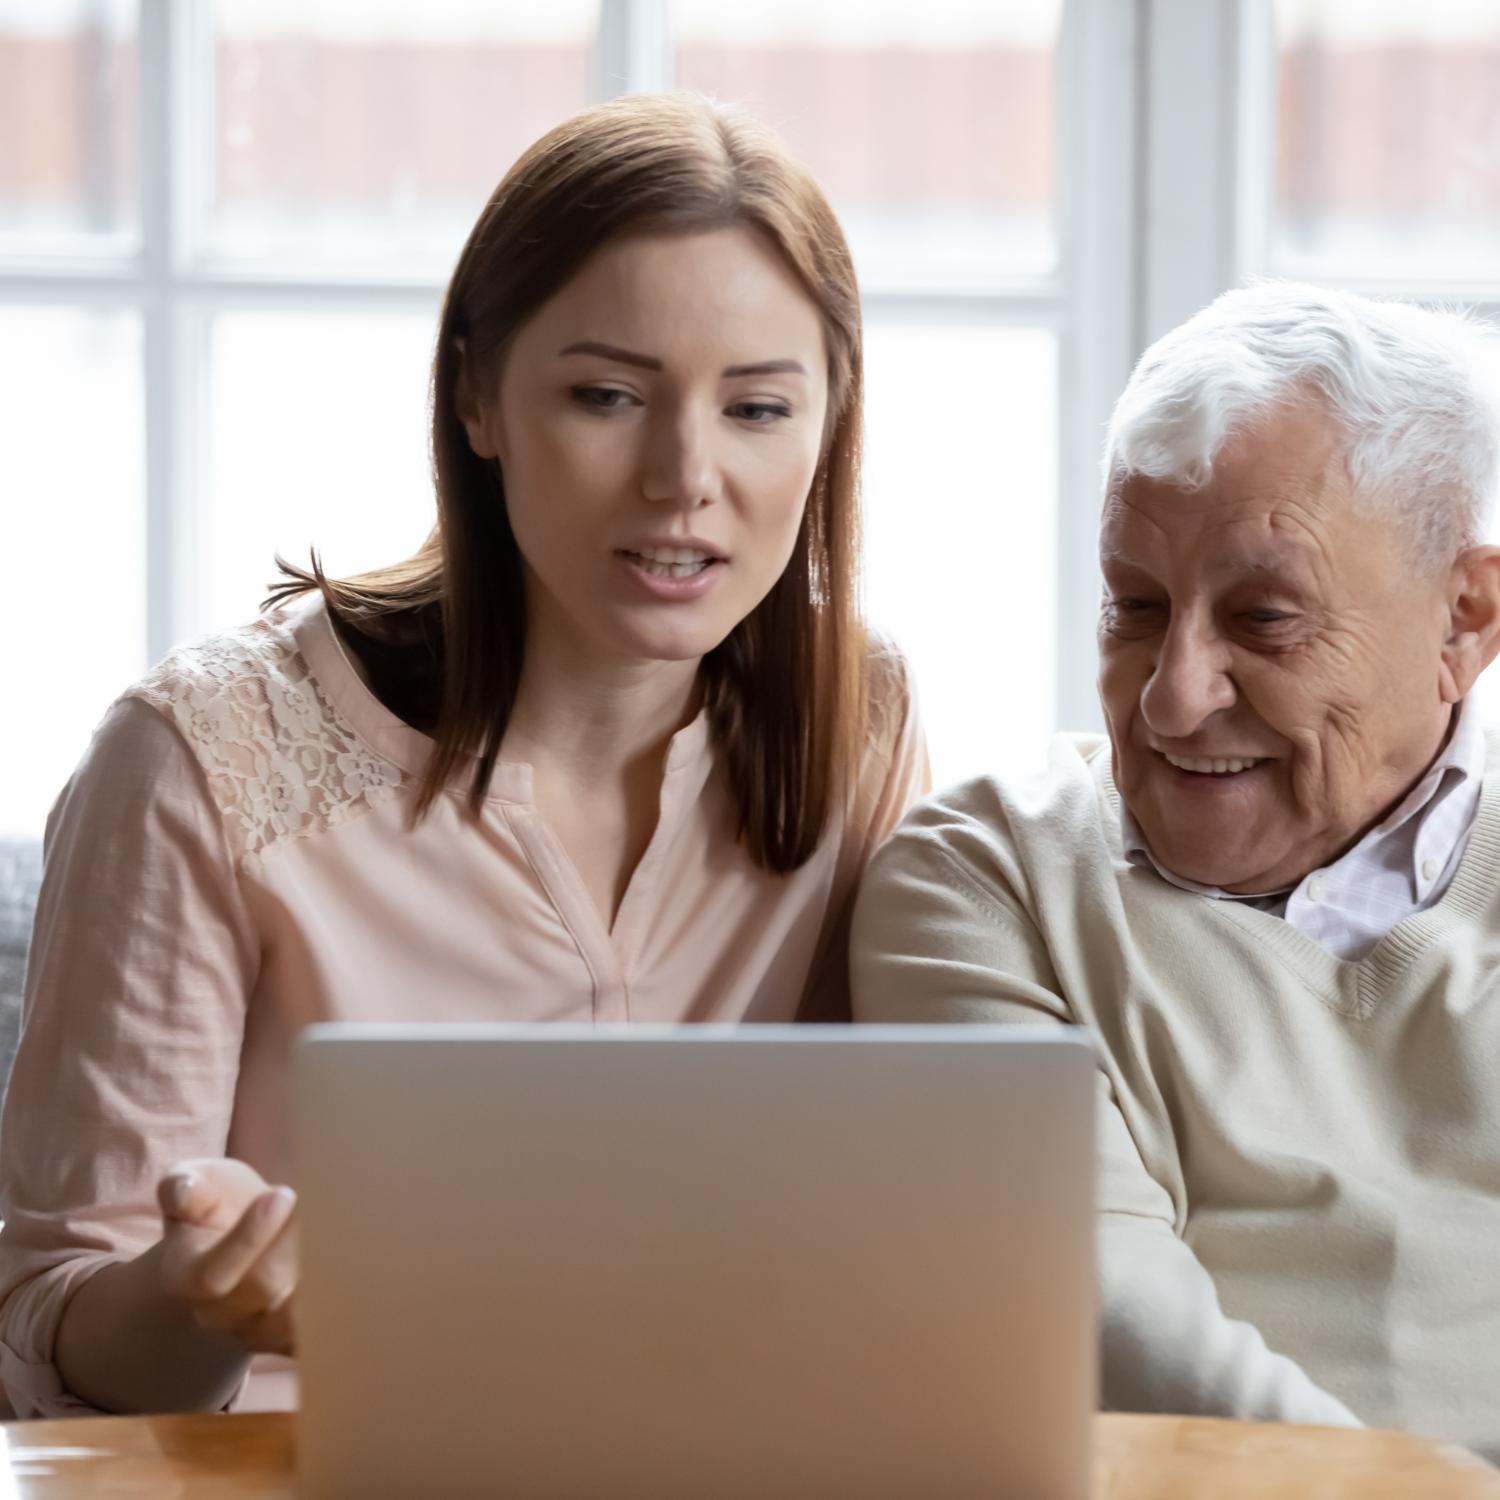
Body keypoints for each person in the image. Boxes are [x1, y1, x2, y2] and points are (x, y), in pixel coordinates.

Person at [0, 93, 927, 1419]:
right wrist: (207, 1300)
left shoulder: (863, 718)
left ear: (828, 423)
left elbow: (910, 1225)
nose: (683, 475)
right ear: (477, 397)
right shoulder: (200, 759)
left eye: (758, 409)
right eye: (606, 395)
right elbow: (52, 1337)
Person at [851, 282, 1500, 1460]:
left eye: (1264, 620)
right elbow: (1113, 1321)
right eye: (1135, 608)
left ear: (1465, 618)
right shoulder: (983, 881)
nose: (1170, 695)